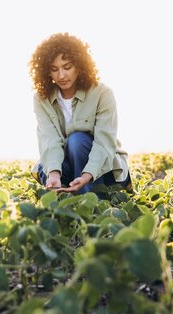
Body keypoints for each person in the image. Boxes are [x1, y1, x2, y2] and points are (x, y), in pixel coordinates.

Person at [28, 32, 131, 195]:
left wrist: (86, 176)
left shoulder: (102, 93)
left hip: (101, 169)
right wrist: (54, 173)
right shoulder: (41, 99)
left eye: (67, 67)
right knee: (45, 167)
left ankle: (89, 197)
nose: (61, 75)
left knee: (76, 140)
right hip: (68, 165)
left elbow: (104, 143)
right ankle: (64, 196)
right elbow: (49, 140)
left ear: (80, 65)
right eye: (54, 69)